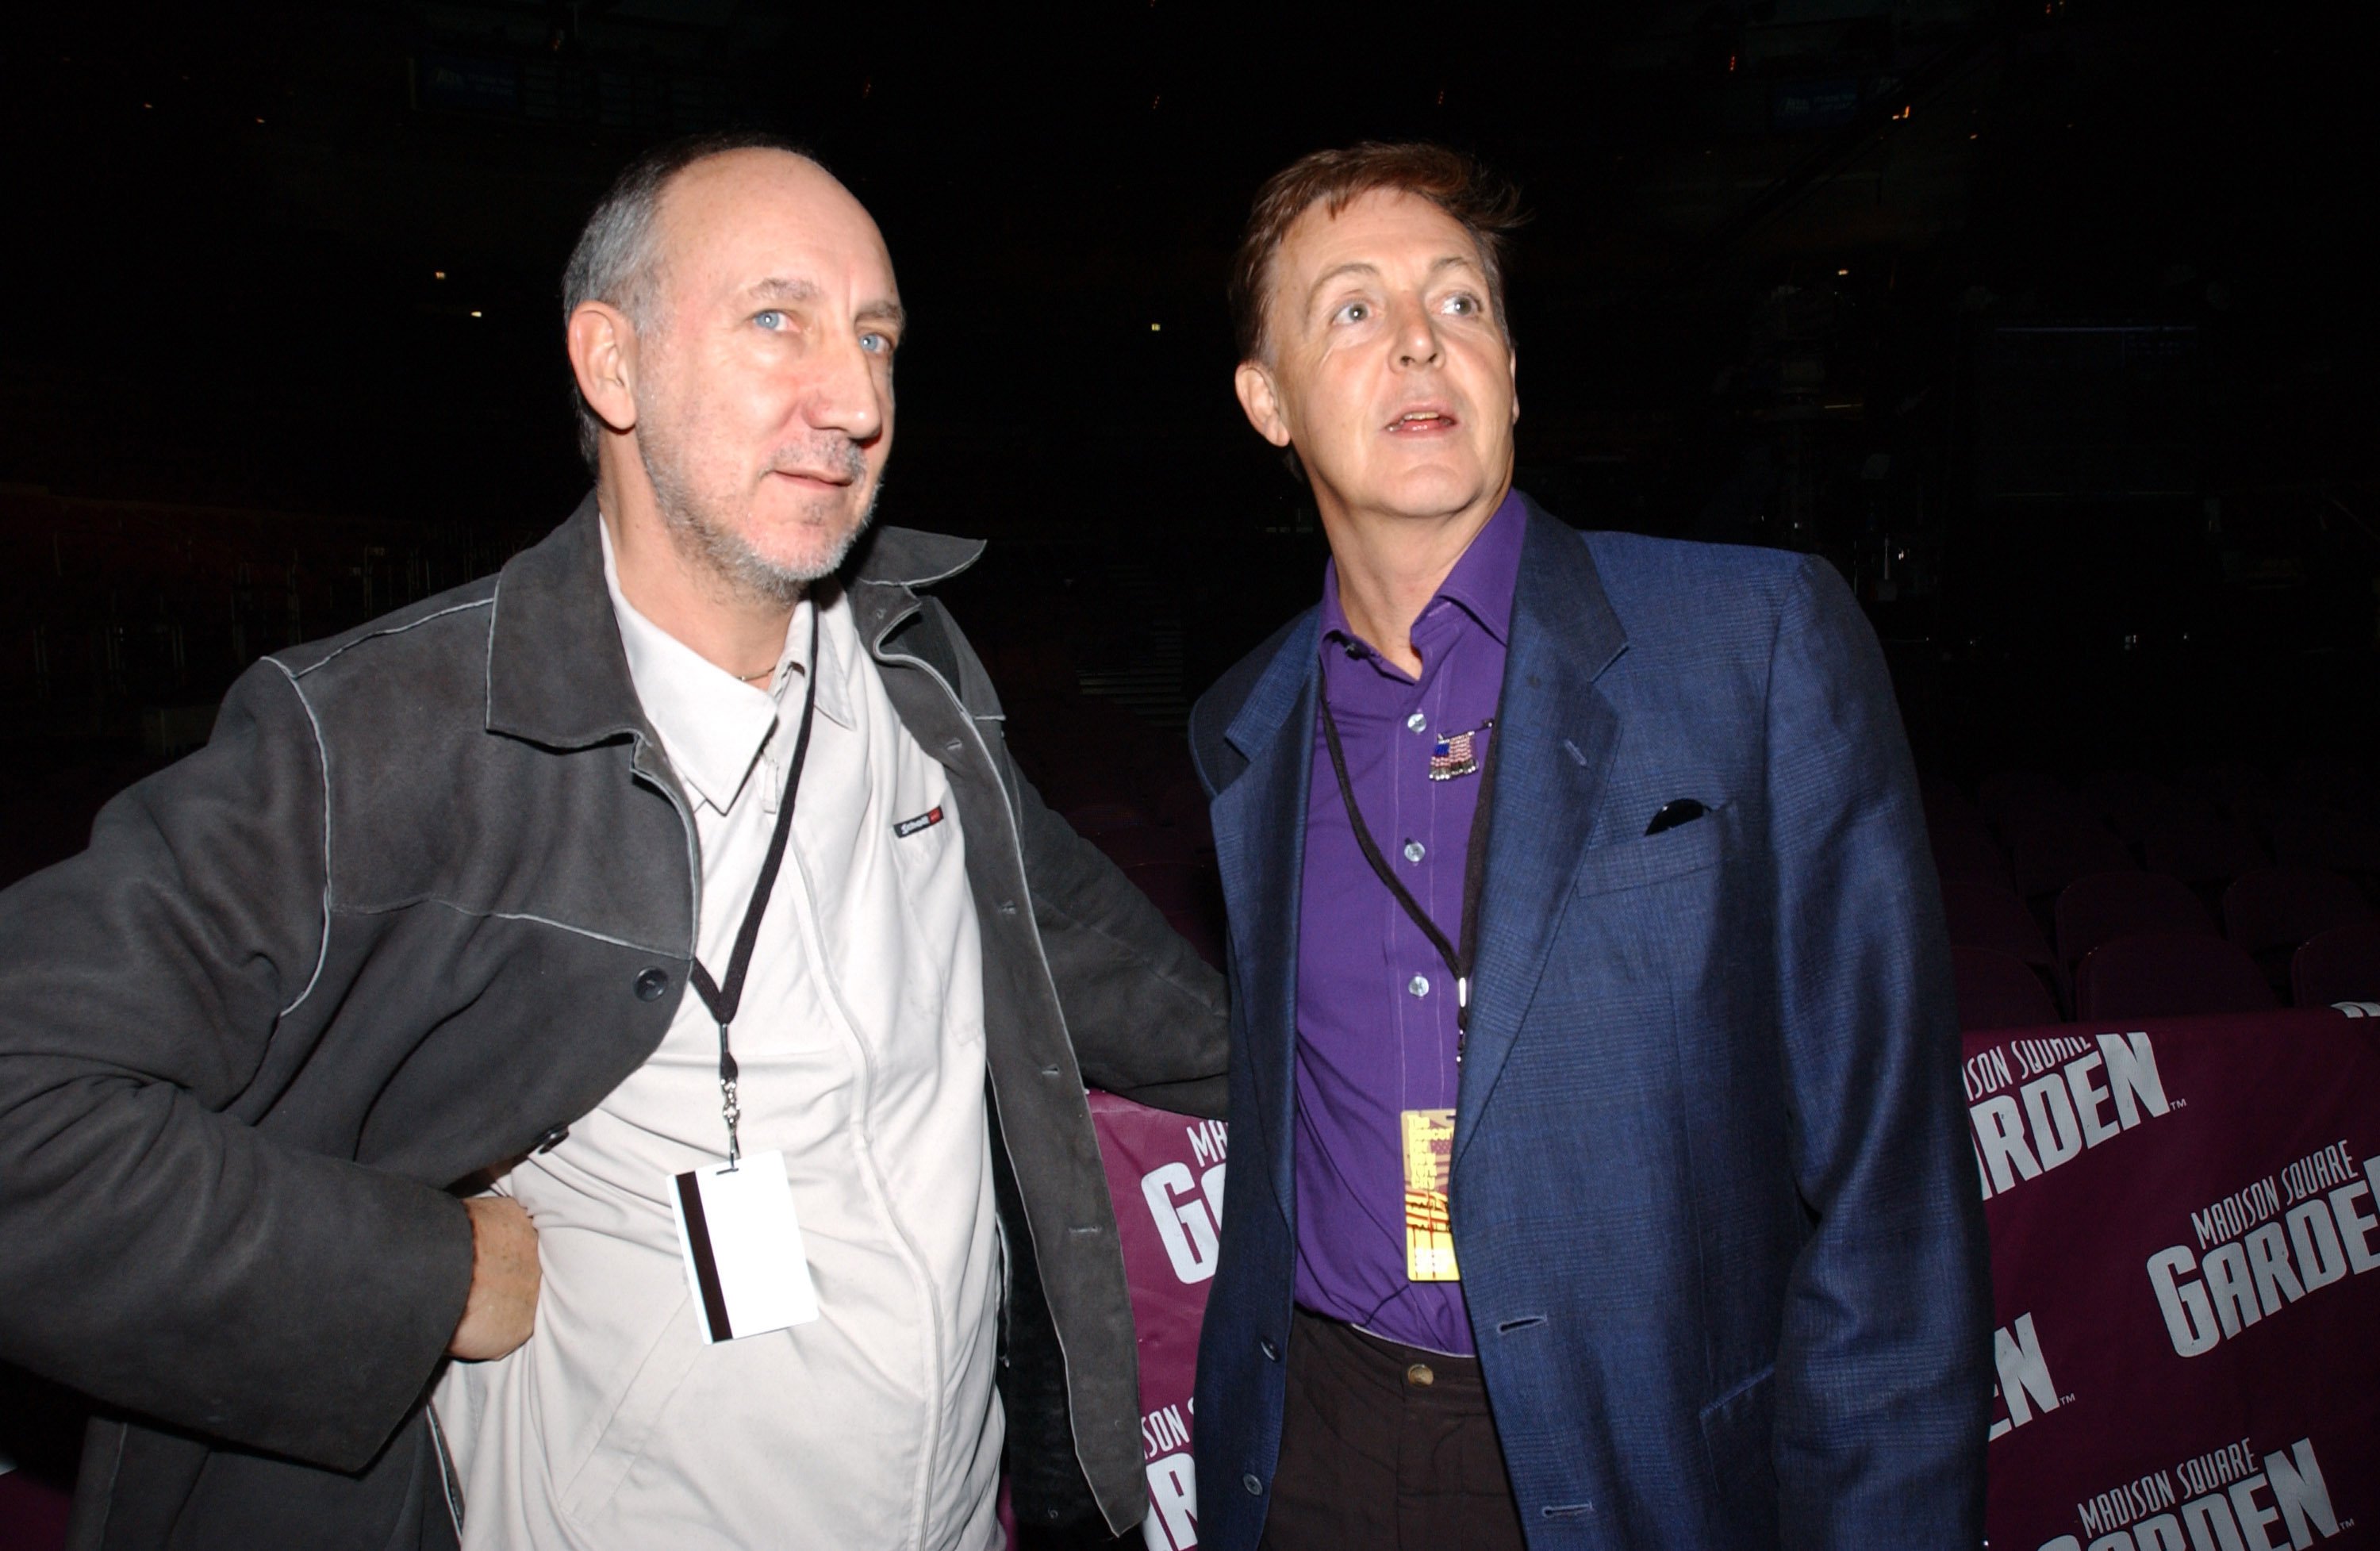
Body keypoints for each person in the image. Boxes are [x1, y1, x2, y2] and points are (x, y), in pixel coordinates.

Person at [0, 132, 1225, 1551]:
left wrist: (1354, 1086)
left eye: (876, 335)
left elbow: (1087, 951)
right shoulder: (393, 735)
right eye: (780, 320)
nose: (855, 399)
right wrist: (424, 1277)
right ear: (613, 364)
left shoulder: (918, 670)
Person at [1187, 142, 1991, 1549]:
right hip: (1314, 1449)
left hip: (1646, 1465)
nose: (1424, 340)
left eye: (1462, 303)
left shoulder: (1753, 642)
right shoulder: (1243, 730)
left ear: (1509, 371)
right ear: (1269, 402)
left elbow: (1891, 1185)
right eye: (1355, 312)